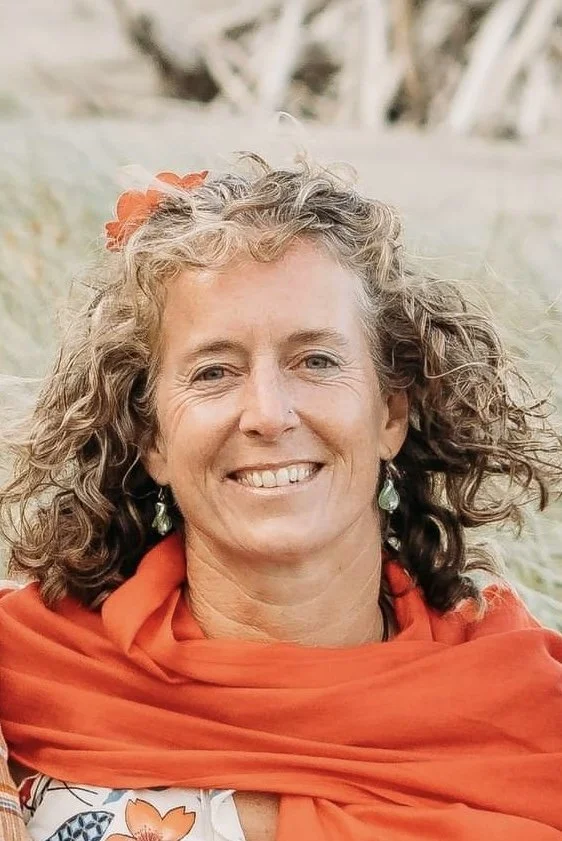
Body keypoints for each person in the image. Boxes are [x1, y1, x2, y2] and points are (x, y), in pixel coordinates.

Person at [0, 154, 561, 841]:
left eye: (315, 360)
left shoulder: (533, 717)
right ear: (151, 439)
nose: (268, 413)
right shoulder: (23, 676)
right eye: (214, 371)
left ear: (390, 414)